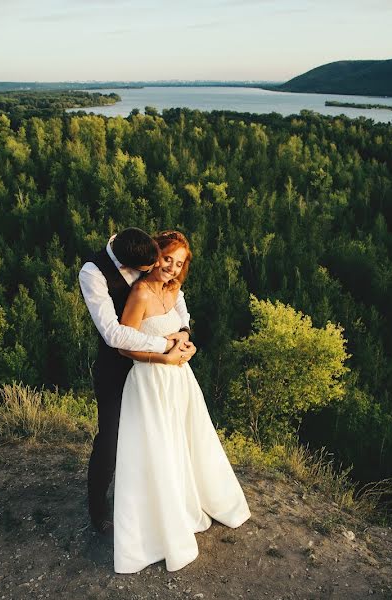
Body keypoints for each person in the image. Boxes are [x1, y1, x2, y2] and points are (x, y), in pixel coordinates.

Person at [112, 230, 251, 573]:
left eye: (178, 264)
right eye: (166, 258)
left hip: (180, 381)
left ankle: (188, 504)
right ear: (154, 254)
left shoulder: (173, 291)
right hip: (150, 381)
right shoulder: (140, 293)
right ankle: (158, 527)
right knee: (157, 450)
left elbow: (180, 328)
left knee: (183, 444)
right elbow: (122, 344)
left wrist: (186, 343)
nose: (171, 268)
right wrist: (164, 359)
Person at [79, 227, 195, 535]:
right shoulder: (93, 273)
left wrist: (183, 333)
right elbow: (114, 334)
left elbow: (177, 298)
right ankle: (98, 510)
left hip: (156, 373)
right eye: (144, 269)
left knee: (156, 436)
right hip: (117, 367)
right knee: (112, 438)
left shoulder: (140, 247)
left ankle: (150, 501)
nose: (159, 269)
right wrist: (165, 346)